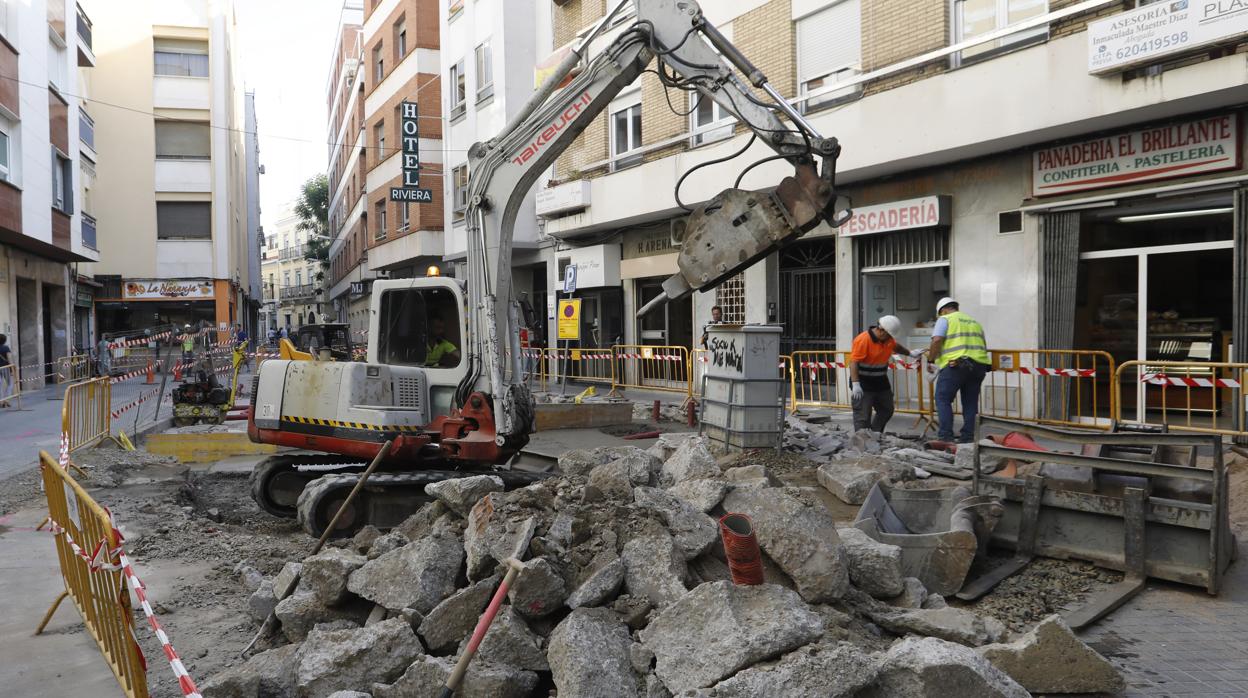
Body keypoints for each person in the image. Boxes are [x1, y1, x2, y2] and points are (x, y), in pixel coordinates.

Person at [924, 297, 990, 444]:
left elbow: (936, 340)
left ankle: (946, 436)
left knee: (943, 399)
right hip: (979, 366)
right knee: (970, 402)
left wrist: (931, 360)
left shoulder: (945, 319)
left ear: (943, 310)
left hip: (956, 365)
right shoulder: (974, 322)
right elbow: (983, 345)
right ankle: (967, 438)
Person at [848, 315, 920, 433]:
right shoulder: (863, 340)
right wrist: (856, 384)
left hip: (880, 381)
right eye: (889, 335)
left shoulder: (888, 339)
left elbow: (896, 346)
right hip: (863, 382)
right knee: (863, 415)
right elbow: (854, 362)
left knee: (886, 409)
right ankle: (862, 441)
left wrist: (910, 353)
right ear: (881, 330)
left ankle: (875, 434)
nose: (890, 338)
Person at [0, 334, 11, 407]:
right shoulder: (6, 348)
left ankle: (1, 401)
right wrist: (12, 368)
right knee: (9, 383)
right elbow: (9, 358)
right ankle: (7, 400)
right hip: (5, 367)